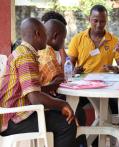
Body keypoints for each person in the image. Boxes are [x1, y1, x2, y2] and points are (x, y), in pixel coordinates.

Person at [0, 18, 77, 147]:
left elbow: (31, 90)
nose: (47, 37)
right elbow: (35, 97)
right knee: (67, 124)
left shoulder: (23, 52)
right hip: (13, 119)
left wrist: (52, 86)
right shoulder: (26, 57)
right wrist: (62, 104)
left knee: (60, 115)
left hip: (16, 113)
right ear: (37, 34)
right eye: (45, 34)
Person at [67, 4, 119, 74]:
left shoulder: (114, 41)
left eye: (102, 21)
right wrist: (74, 71)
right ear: (89, 19)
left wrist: (115, 68)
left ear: (106, 21)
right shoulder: (77, 39)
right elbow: (69, 66)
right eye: (95, 21)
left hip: (105, 82)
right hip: (82, 82)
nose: (99, 25)